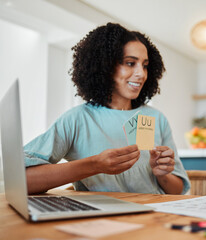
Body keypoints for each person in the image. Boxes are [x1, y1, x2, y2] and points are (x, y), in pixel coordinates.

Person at [24, 22, 190, 195]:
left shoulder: (157, 118)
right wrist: (94, 165)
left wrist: (161, 174)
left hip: (156, 215)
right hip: (100, 219)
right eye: (130, 63)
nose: (141, 74)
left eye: (145, 65)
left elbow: (177, 191)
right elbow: (24, 180)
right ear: (105, 66)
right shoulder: (78, 119)